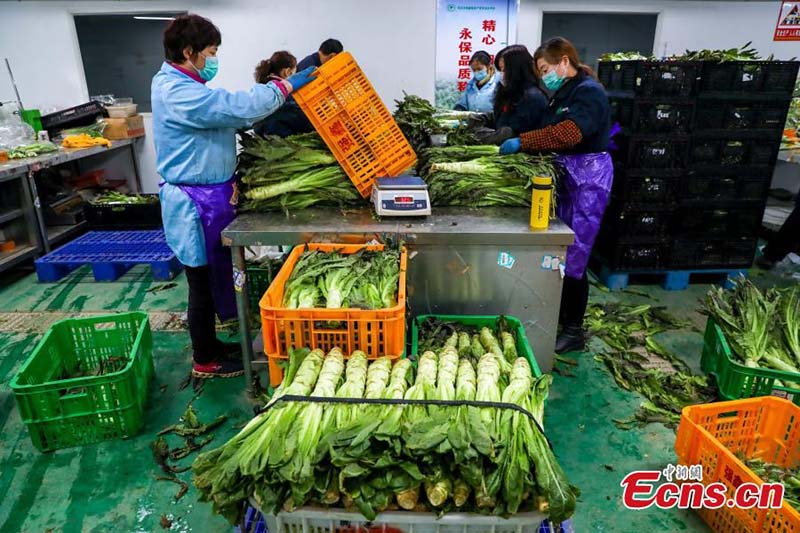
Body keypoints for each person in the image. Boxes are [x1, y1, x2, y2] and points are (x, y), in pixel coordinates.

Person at [151, 14, 316, 379]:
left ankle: (211, 347)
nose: (213, 59)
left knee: (211, 277)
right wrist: (283, 89)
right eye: (211, 52)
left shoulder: (188, 86)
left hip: (210, 197)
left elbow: (227, 115)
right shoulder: (174, 90)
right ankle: (204, 359)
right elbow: (231, 107)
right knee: (200, 282)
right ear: (189, 52)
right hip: (194, 204)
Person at [500, 37, 613, 354]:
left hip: (588, 178)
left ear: (565, 61)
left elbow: (568, 133)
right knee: (560, 249)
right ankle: (558, 316)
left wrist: (522, 142)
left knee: (575, 252)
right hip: (569, 174)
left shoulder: (588, 92)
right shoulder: (563, 93)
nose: (545, 75)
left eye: (547, 68)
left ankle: (574, 329)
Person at [252, 51, 314, 137]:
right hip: (284, 140)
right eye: (294, 74)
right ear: (287, 72)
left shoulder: (263, 90)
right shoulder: (282, 96)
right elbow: (306, 123)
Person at [493, 45, 547, 138]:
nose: (502, 75)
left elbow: (519, 131)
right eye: (500, 70)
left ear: (517, 70)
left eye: (504, 70)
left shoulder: (532, 97)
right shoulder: (510, 93)